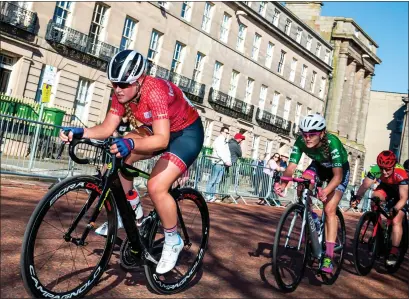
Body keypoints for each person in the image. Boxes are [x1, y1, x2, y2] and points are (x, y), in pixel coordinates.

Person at [60, 49, 204, 274]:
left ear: (140, 80)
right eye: (114, 83)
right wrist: (82, 132)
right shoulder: (122, 93)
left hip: (186, 133)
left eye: (123, 85)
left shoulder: (153, 91)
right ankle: (132, 206)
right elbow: (108, 128)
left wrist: (133, 145)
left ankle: (172, 239)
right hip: (157, 129)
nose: (117, 89)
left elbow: (162, 139)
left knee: (156, 186)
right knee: (117, 155)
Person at [275, 114, 350, 274]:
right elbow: (291, 167)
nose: (307, 138)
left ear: (322, 133)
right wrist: (283, 183)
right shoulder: (301, 141)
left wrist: (325, 191)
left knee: (329, 208)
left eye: (312, 134)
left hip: (338, 171)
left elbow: (337, 176)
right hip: (319, 165)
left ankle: (329, 256)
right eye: (304, 133)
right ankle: (312, 218)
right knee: (303, 182)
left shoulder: (332, 143)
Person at [351, 151, 408, 266]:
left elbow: (403, 198)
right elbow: (365, 185)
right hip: (386, 188)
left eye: (387, 169)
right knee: (375, 198)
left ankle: (393, 251)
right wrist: (357, 198)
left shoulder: (400, 173)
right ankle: (380, 229)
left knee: (396, 220)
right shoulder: (376, 169)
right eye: (382, 169)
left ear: (393, 166)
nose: (384, 172)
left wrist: (395, 209)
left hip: (400, 193)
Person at [205, 127, 231, 202]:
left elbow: (227, 152)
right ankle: (208, 195)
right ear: (221, 132)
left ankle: (212, 196)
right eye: (226, 132)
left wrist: (228, 160)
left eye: (228, 133)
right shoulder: (219, 140)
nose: (227, 134)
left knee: (217, 181)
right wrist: (226, 161)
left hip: (222, 163)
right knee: (212, 180)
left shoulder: (225, 141)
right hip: (217, 162)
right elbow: (220, 152)